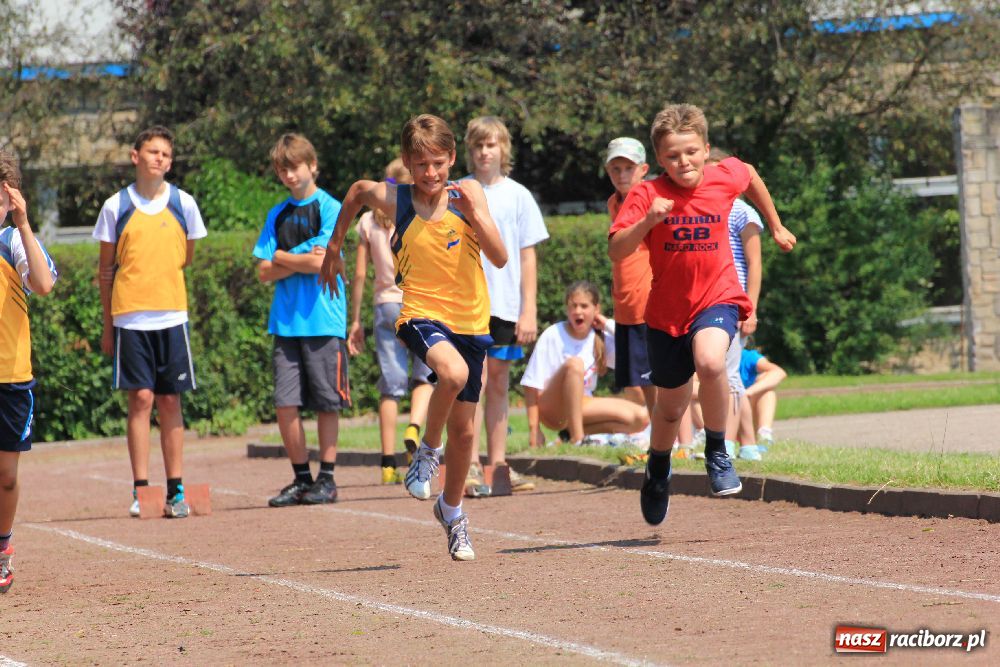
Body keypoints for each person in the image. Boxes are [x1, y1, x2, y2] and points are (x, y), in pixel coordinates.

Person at [320, 114, 507, 562]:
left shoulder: (471, 193)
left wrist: (475, 215)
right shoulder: (396, 199)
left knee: (466, 434)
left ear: (453, 158)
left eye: (439, 163)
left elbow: (499, 258)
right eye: (421, 165)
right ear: (407, 162)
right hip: (419, 313)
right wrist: (333, 246)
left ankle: (453, 511)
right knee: (451, 373)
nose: (431, 174)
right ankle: (426, 451)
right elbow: (356, 192)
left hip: (472, 322)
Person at [608, 103, 795, 526]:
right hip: (667, 314)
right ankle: (658, 469)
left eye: (691, 152)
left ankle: (717, 450)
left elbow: (750, 174)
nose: (684, 162)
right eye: (673, 156)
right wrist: (647, 222)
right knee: (670, 410)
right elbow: (617, 249)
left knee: (711, 362)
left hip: (719, 297)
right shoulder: (647, 194)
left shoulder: (722, 174)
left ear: (706, 149)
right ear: (659, 160)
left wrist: (776, 224)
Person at [94, 126, 207, 519]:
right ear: (135, 156)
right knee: (140, 399)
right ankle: (142, 489)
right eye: (153, 152)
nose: (160, 159)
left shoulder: (184, 203)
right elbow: (105, 270)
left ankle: (176, 490)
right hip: (130, 317)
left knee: (170, 399)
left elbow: (185, 257)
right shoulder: (115, 206)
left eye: (166, 154)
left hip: (172, 315)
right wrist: (109, 325)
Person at [254, 133, 349, 507]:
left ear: (312, 165)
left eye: (294, 167)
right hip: (285, 323)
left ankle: (327, 478)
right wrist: (298, 258)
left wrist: (282, 257)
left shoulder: (330, 208)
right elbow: (263, 271)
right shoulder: (276, 214)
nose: (289, 175)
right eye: (282, 169)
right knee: (284, 403)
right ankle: (301, 478)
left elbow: (321, 262)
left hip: (324, 319)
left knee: (327, 402)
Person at [464, 116, 548, 494]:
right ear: (470, 150)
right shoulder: (459, 191)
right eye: (479, 145)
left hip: (506, 304)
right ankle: (468, 464)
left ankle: (497, 466)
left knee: (498, 381)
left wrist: (528, 309)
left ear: (503, 149)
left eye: (491, 145)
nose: (485, 152)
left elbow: (527, 256)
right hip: (466, 303)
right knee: (473, 383)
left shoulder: (518, 195)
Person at [348, 158, 433, 485]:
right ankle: (414, 425)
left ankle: (386, 464)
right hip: (417, 303)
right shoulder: (416, 214)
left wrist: (355, 320)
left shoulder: (367, 221)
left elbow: (359, 274)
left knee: (390, 385)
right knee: (424, 375)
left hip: (384, 306)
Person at [0, 151, 57, 593]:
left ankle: (3, 547)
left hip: (11, 376)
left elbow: (42, 283)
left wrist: (22, 222)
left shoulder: (14, 240)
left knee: (7, 475)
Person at [522, 281, 648, 446]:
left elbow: (638, 350)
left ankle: (567, 436)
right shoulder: (553, 334)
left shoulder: (599, 337)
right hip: (552, 408)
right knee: (575, 365)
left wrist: (608, 324)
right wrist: (534, 430)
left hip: (582, 404)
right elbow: (531, 385)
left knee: (640, 418)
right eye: (573, 306)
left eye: (584, 306)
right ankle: (578, 439)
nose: (578, 311)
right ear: (567, 310)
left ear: (596, 309)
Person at [710, 147, 765, 461]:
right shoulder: (702, 209)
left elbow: (754, 264)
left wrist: (751, 307)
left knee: (728, 374)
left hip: (734, 302)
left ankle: (727, 442)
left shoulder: (742, 212)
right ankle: (749, 444)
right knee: (725, 374)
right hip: (713, 302)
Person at [604, 137, 655, 415]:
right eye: (616, 168)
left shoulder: (651, 198)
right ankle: (661, 442)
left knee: (664, 378)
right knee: (642, 381)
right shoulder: (613, 202)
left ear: (644, 168)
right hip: (626, 306)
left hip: (650, 303)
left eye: (629, 168)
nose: (622, 175)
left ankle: (683, 439)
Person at [740, 346, 787, 450]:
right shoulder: (710, 356)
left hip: (743, 413)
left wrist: (747, 393)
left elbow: (779, 372)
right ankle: (703, 434)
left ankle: (764, 435)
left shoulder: (746, 356)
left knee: (766, 388)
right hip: (721, 415)